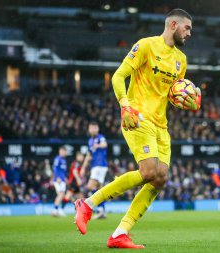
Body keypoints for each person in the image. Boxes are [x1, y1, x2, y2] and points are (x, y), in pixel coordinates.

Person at [74, 8, 201, 249]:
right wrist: (125, 105)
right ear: (173, 25)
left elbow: (174, 94)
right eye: (187, 28)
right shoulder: (145, 46)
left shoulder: (181, 61)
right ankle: (88, 204)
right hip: (137, 117)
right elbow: (118, 76)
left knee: (160, 179)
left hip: (161, 126)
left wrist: (190, 100)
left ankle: (120, 233)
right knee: (149, 172)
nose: (190, 33)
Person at [80, 122, 108, 219]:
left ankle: (100, 209)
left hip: (99, 165)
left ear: (97, 129)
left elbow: (104, 144)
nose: (93, 130)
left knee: (90, 186)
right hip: (95, 166)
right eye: (91, 128)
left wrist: (98, 145)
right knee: (99, 190)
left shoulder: (100, 137)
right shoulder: (90, 141)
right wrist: (83, 168)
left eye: (94, 128)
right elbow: (88, 155)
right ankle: (102, 211)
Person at [51, 146, 68, 217]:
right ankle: (55, 210)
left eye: (65, 151)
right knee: (61, 194)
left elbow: (63, 171)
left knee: (61, 195)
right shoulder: (57, 159)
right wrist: (57, 177)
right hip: (58, 180)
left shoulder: (64, 160)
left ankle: (57, 210)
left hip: (63, 180)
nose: (64, 153)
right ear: (60, 151)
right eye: (62, 151)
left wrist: (65, 178)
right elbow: (55, 168)